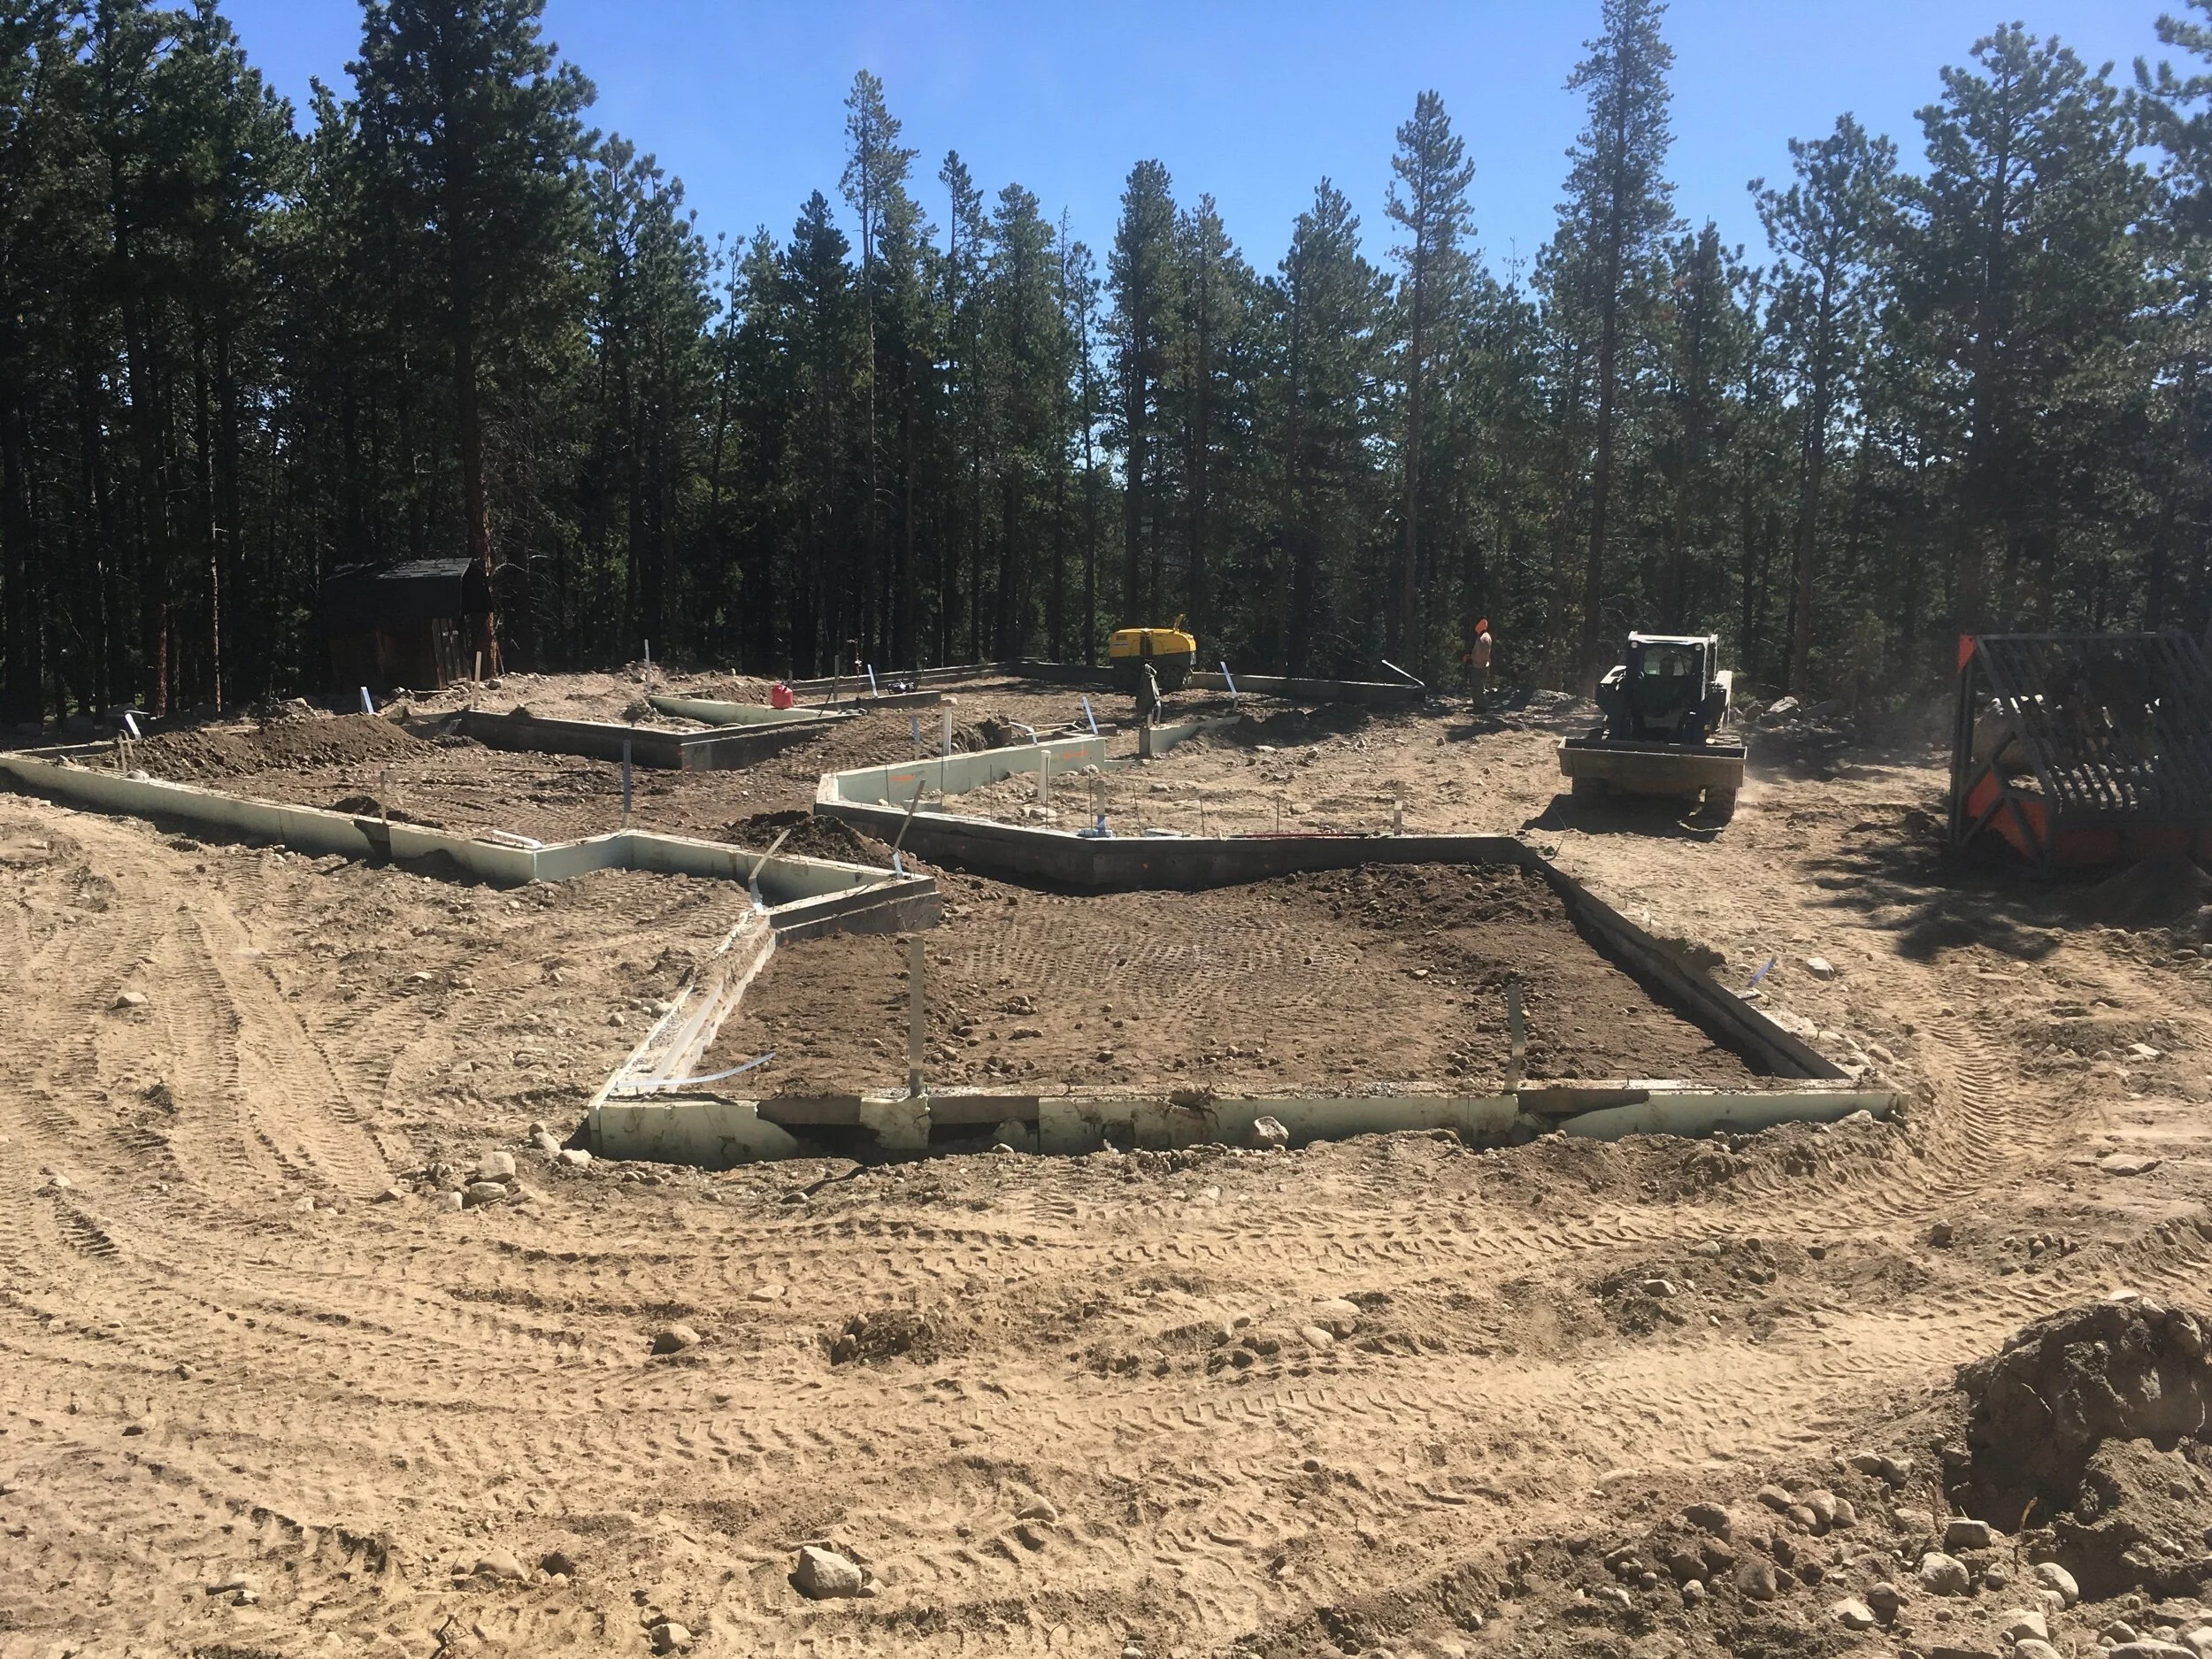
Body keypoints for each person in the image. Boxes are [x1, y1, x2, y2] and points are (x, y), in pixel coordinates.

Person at [1469, 617, 1494, 710]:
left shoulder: (1482, 639)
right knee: (1478, 687)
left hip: (1479, 666)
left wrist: (1472, 659)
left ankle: (1481, 707)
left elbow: (1480, 654)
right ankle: (1478, 706)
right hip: (1483, 665)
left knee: (1478, 687)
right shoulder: (1485, 636)